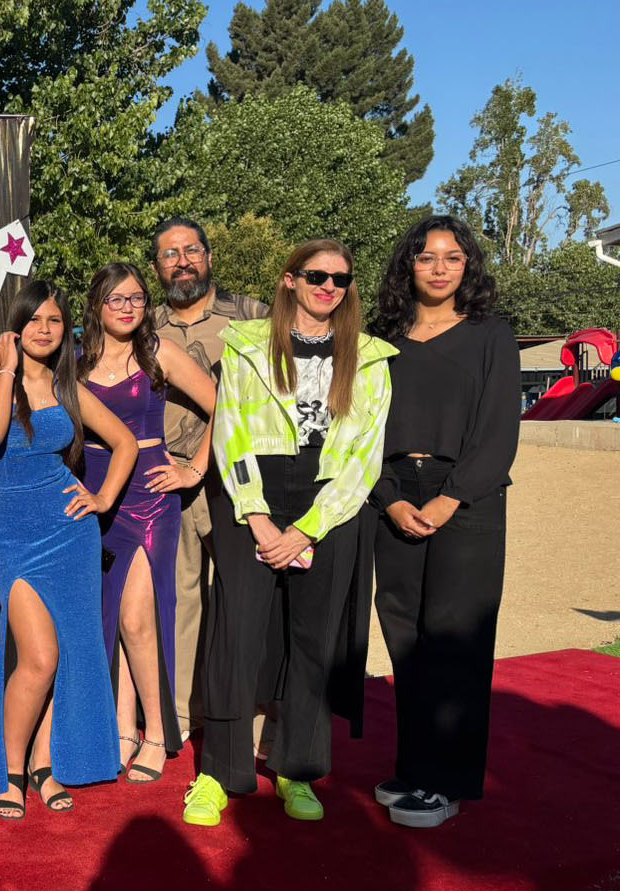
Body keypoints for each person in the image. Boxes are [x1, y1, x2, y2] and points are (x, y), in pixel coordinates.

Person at [184, 240, 395, 828]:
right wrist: (256, 515)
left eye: (341, 279)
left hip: (328, 503)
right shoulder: (246, 345)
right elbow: (230, 433)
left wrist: (305, 530)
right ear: (289, 280)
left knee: (313, 641)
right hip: (254, 493)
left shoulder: (373, 358)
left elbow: (364, 457)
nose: (329, 286)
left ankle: (297, 769)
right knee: (237, 633)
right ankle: (217, 773)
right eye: (317, 275)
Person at [369, 215, 519, 828]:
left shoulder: (491, 335)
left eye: (451, 258)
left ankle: (445, 783)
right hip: (395, 492)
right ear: (409, 264)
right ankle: (416, 767)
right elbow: (361, 425)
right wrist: (389, 496)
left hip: (467, 497)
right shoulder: (382, 337)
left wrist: (449, 499)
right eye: (426, 257)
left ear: (467, 266)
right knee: (404, 633)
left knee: (454, 637)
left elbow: (497, 433)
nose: (438, 268)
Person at [0, 280, 138, 818]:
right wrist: (7, 371)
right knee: (37, 658)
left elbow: (126, 442)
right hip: (14, 540)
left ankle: (45, 766)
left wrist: (101, 497)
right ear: (16, 326)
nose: (45, 330)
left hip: (69, 535)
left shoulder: (70, 388)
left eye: (56, 321)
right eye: (36, 320)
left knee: (67, 655)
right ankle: (12, 772)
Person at [80, 263, 217, 784]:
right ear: (97, 305)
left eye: (136, 297)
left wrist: (195, 468)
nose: (128, 307)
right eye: (116, 299)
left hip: (149, 497)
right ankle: (121, 728)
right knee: (110, 616)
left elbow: (223, 404)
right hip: (95, 495)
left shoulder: (157, 353)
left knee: (139, 618)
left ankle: (157, 731)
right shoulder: (74, 362)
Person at [147, 218, 267, 744]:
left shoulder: (254, 317)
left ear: (210, 257)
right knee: (178, 602)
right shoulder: (141, 327)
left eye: (191, 250)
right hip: (167, 483)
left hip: (241, 480)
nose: (182, 261)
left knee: (247, 598)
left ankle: (253, 713)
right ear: (157, 267)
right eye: (169, 254)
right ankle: (179, 718)